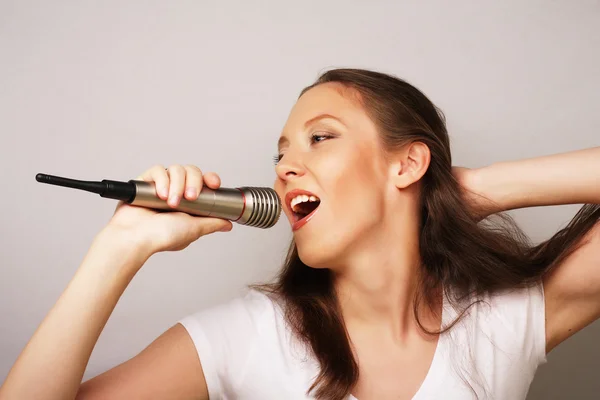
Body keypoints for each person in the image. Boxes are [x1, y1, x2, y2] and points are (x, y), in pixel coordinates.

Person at [1, 69, 599, 400]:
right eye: (280, 151)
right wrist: (120, 247)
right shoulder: (245, 336)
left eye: (321, 137)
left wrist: (473, 187)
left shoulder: (502, 321)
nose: (284, 167)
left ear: (406, 164)